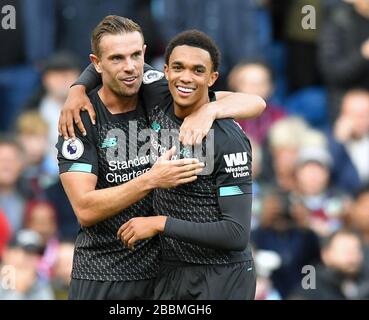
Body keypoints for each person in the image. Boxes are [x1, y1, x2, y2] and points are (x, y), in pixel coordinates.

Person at [56, 16, 265, 300]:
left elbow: (254, 102)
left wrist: (209, 111)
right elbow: (85, 209)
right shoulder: (81, 120)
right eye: (117, 58)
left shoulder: (159, 89)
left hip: (163, 276)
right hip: (103, 274)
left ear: (145, 54)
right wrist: (151, 180)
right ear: (97, 63)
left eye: (135, 55)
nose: (130, 67)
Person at [115, 30, 257, 299]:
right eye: (178, 67)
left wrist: (160, 223)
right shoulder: (159, 98)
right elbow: (109, 59)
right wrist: (76, 91)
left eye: (198, 70)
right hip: (172, 271)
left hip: (222, 276)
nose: (186, 78)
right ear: (165, 70)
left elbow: (236, 234)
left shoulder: (228, 138)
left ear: (212, 78)